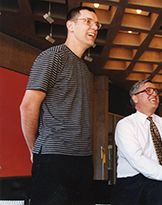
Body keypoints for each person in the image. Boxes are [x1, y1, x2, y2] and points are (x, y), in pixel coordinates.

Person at [19, 6, 100, 205]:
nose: (95, 27)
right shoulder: (53, 56)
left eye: (97, 24)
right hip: (54, 157)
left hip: (82, 158)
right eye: (88, 21)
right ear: (70, 26)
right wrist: (34, 150)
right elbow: (28, 107)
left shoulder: (83, 67)